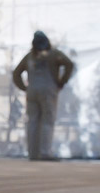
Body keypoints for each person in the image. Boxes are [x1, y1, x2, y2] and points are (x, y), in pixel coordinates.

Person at [12, 31, 74, 160]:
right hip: (48, 90)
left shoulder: (29, 56)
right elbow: (69, 64)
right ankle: (45, 152)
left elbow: (16, 73)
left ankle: (33, 154)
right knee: (47, 120)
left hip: (32, 91)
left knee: (32, 122)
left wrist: (24, 88)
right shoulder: (54, 54)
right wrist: (62, 82)